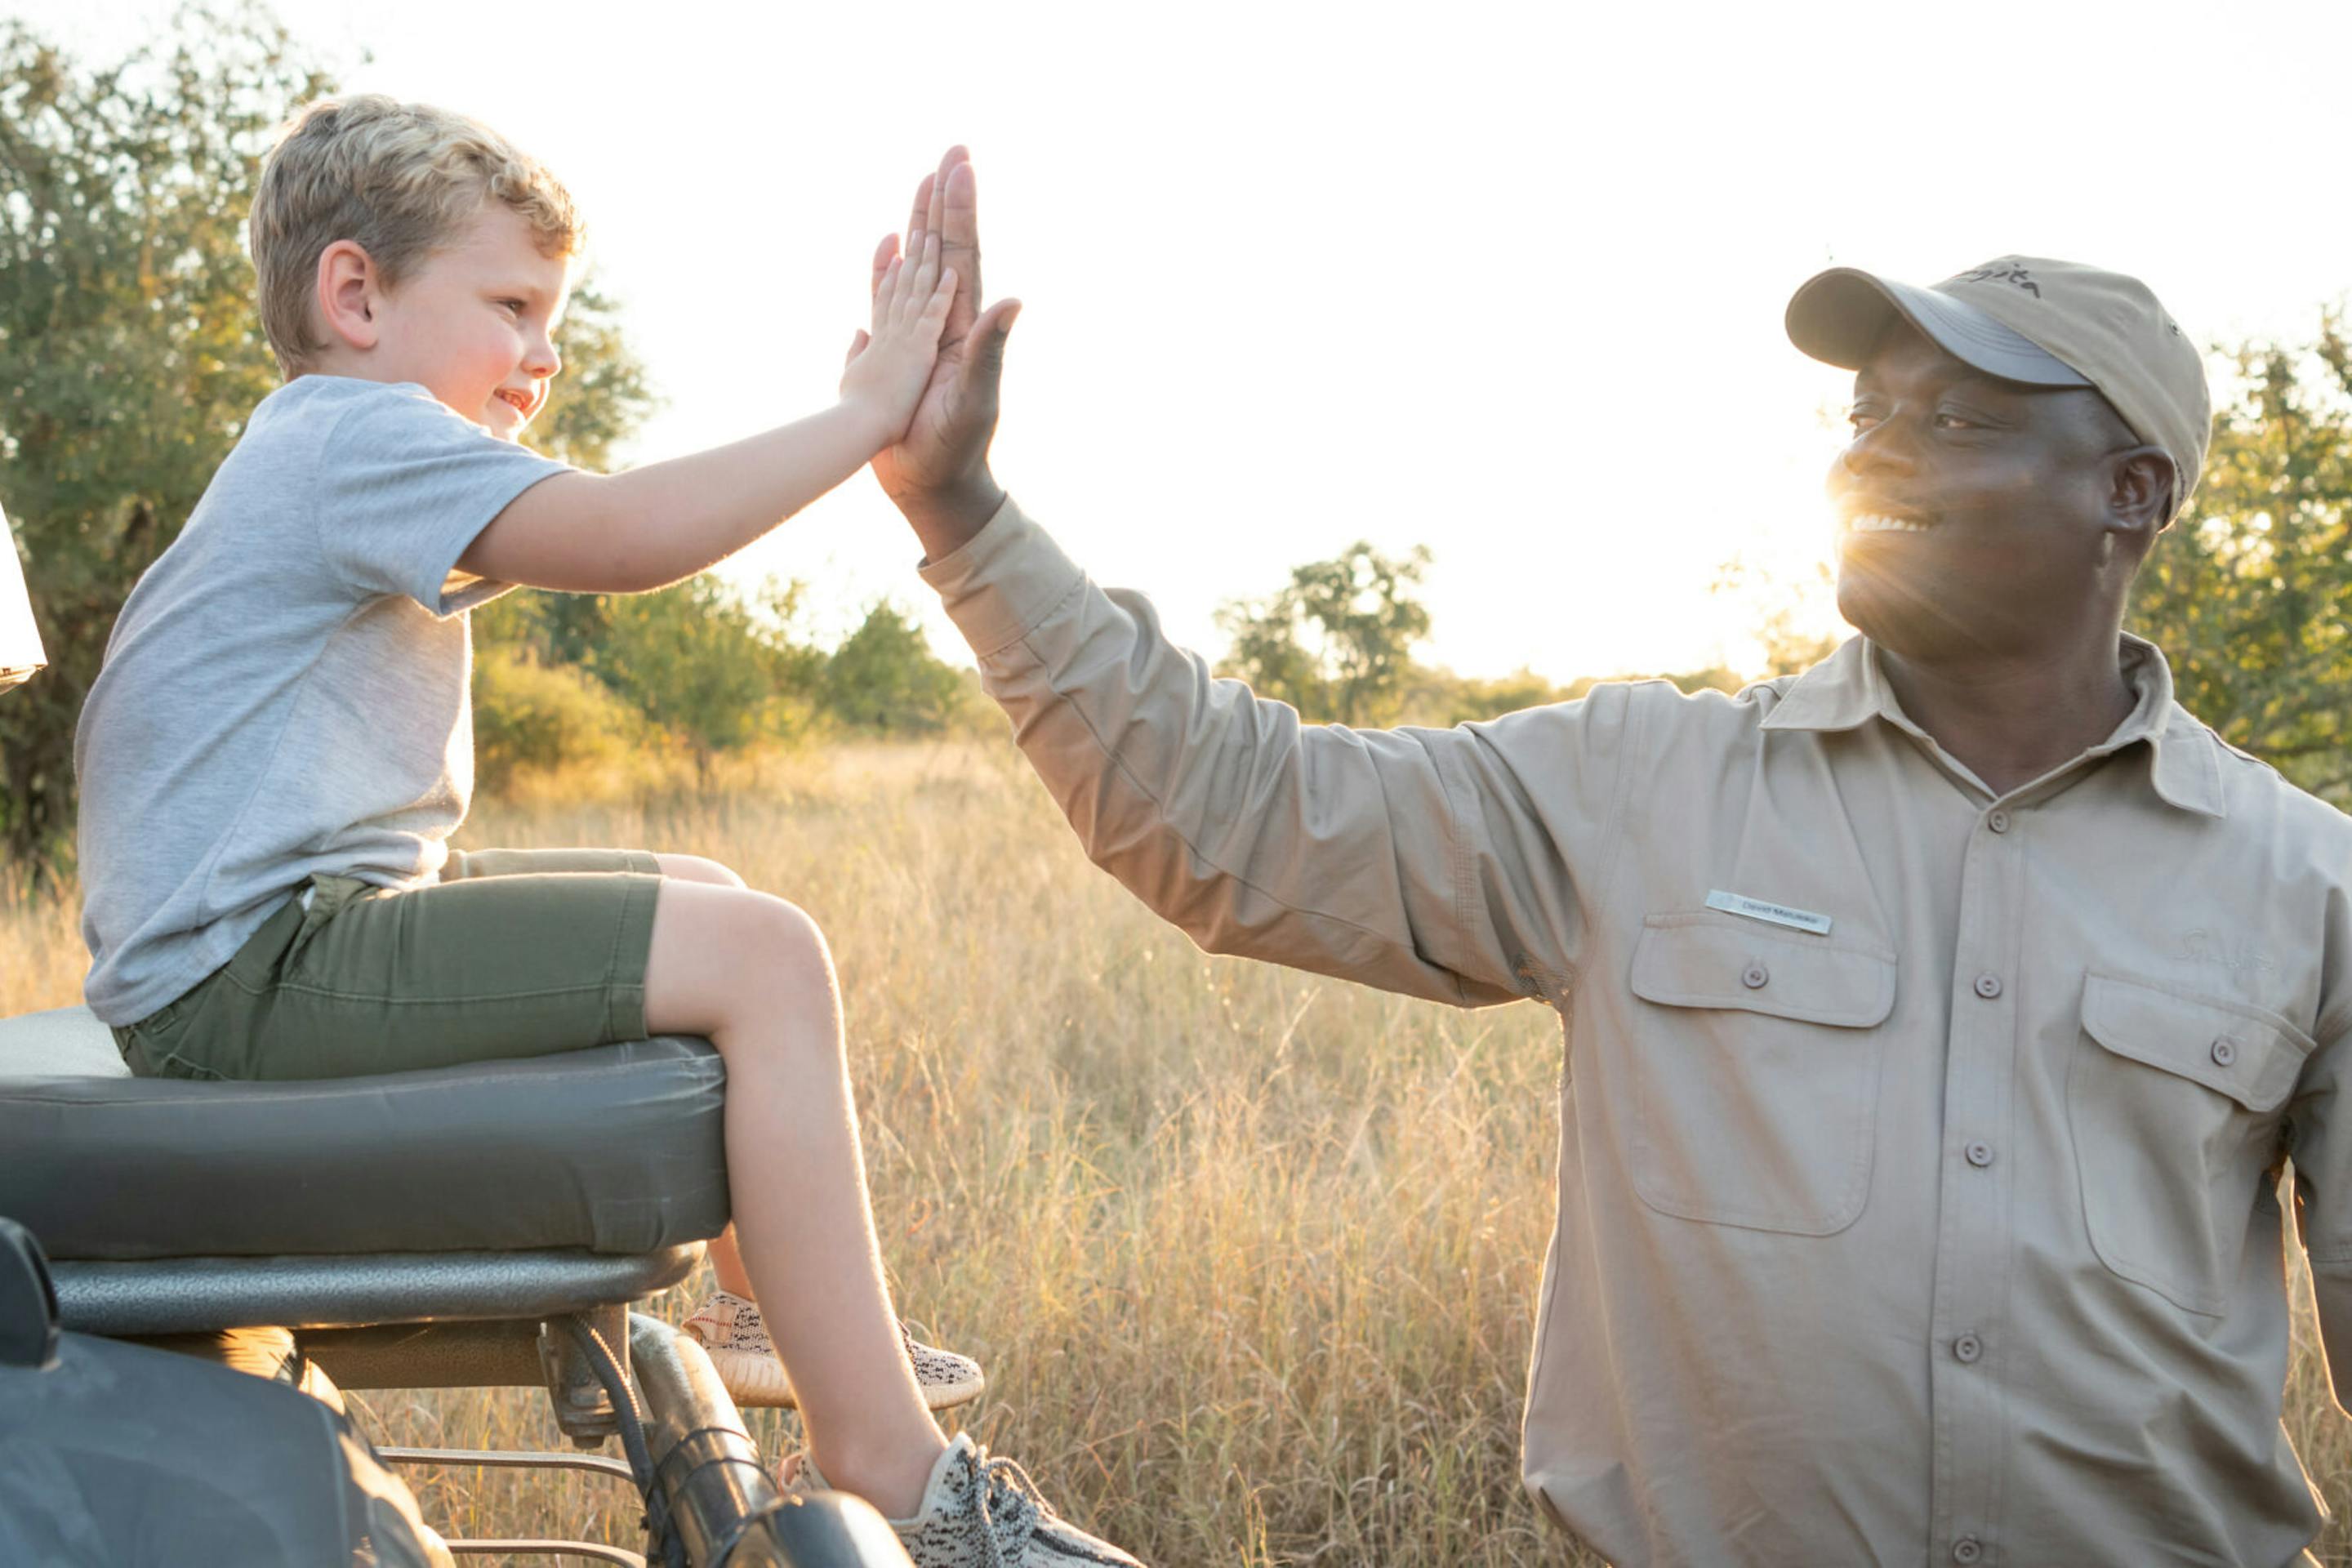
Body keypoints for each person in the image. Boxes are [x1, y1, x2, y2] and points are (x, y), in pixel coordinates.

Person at [876, 152, 2352, 1567]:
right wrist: (964, 515)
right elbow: (1230, 816)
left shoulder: (2309, 887)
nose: (1880, 451)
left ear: (2132, 493)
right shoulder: (1644, 785)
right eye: (1867, 415)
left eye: (1958, 423)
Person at [73, 99, 1138, 1568]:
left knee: (703, 888)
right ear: (356, 296)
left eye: (551, 316)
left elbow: (610, 522)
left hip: (254, 948)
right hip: (250, 973)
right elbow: (630, 536)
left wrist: (855, 414)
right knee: (765, 956)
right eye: (510, 305)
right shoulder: (355, 431)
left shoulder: (328, 444)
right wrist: (865, 414)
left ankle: (759, 1304)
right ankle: (901, 1478)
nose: (545, 353)